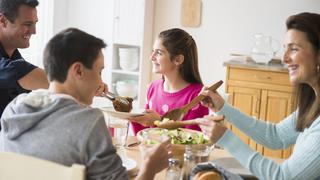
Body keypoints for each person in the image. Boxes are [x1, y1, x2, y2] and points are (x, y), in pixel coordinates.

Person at [0, 28, 171, 180]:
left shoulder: (13, 110)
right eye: (99, 71)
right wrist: (150, 167)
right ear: (78, 71)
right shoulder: (89, 121)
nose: (100, 81)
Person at [199, 12, 320, 180]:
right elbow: (275, 136)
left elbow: (283, 177)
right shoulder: (312, 105)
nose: (285, 59)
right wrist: (223, 107)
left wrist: (225, 139)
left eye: (293, 49)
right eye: (285, 48)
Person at [130, 28, 209, 135]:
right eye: (153, 51)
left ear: (178, 60)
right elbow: (145, 134)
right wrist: (131, 117)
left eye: (158, 52)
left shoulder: (198, 96)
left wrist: (158, 121)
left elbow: (192, 141)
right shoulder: (153, 87)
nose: (151, 57)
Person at [0, 0, 49, 122]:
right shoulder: (14, 66)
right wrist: (78, 83)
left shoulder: (14, 56)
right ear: (3, 20)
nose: (34, 31)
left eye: (35, 23)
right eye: (27, 24)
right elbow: (17, 71)